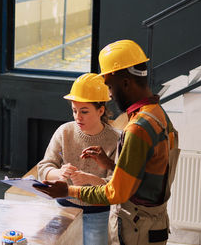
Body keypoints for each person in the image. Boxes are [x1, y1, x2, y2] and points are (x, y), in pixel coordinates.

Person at [35, 40, 180, 245]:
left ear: (126, 83)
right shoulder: (157, 115)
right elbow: (143, 173)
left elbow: (116, 192)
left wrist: (67, 190)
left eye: (110, 86)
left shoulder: (138, 127)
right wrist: (112, 165)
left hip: (139, 227)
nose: (110, 94)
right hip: (151, 223)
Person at [37, 73, 120, 245]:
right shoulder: (64, 131)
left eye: (84, 111)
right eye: (74, 110)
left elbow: (117, 184)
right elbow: (44, 167)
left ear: (101, 110)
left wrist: (90, 179)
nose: (77, 117)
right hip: (64, 207)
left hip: (99, 212)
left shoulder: (115, 139)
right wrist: (58, 173)